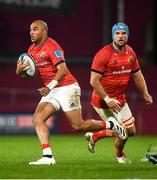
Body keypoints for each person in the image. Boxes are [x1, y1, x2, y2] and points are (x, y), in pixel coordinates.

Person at [16, 20, 126, 165]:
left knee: (77, 126)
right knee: (37, 119)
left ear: (44, 32)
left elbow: (63, 70)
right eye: (30, 29)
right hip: (52, 89)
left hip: (67, 87)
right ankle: (48, 157)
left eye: (35, 29)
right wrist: (20, 71)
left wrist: (50, 86)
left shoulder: (52, 46)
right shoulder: (31, 50)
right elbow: (28, 74)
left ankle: (110, 125)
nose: (31, 32)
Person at [85, 22, 153, 163]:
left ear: (127, 35)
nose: (120, 36)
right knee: (123, 134)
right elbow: (93, 80)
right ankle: (120, 155)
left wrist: (145, 93)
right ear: (113, 36)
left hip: (120, 100)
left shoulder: (130, 52)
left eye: (123, 33)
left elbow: (137, 75)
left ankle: (94, 137)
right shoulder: (103, 54)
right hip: (103, 101)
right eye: (117, 33)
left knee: (131, 131)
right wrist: (107, 98)